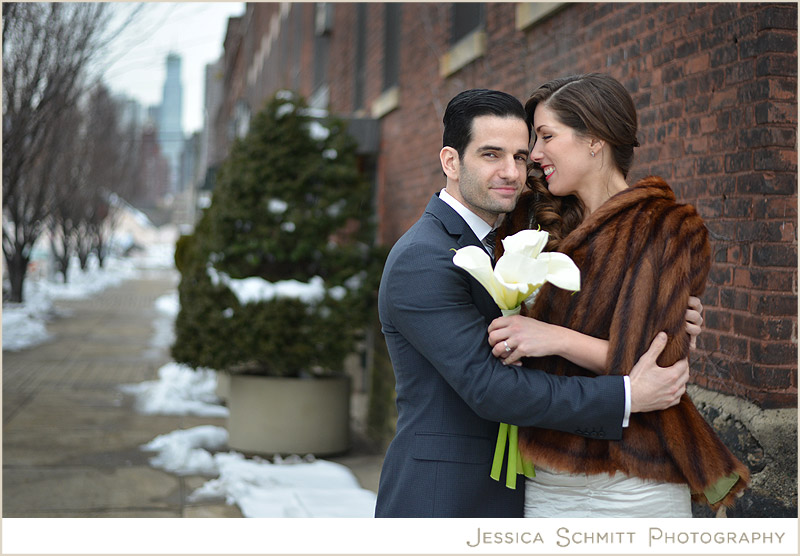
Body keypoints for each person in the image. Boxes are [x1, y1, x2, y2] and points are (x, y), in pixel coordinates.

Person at [374, 88, 703, 518]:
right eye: (491, 155)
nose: (511, 171)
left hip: (524, 490)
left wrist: (670, 317)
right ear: (451, 162)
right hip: (445, 497)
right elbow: (490, 388)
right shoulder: (424, 257)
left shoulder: (510, 238)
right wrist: (625, 396)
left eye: (519, 156)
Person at [487, 73, 749, 517]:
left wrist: (550, 337)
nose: (534, 154)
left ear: (595, 139)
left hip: (635, 481)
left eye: (547, 136)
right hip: (547, 480)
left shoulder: (669, 227)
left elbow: (656, 369)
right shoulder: (531, 222)